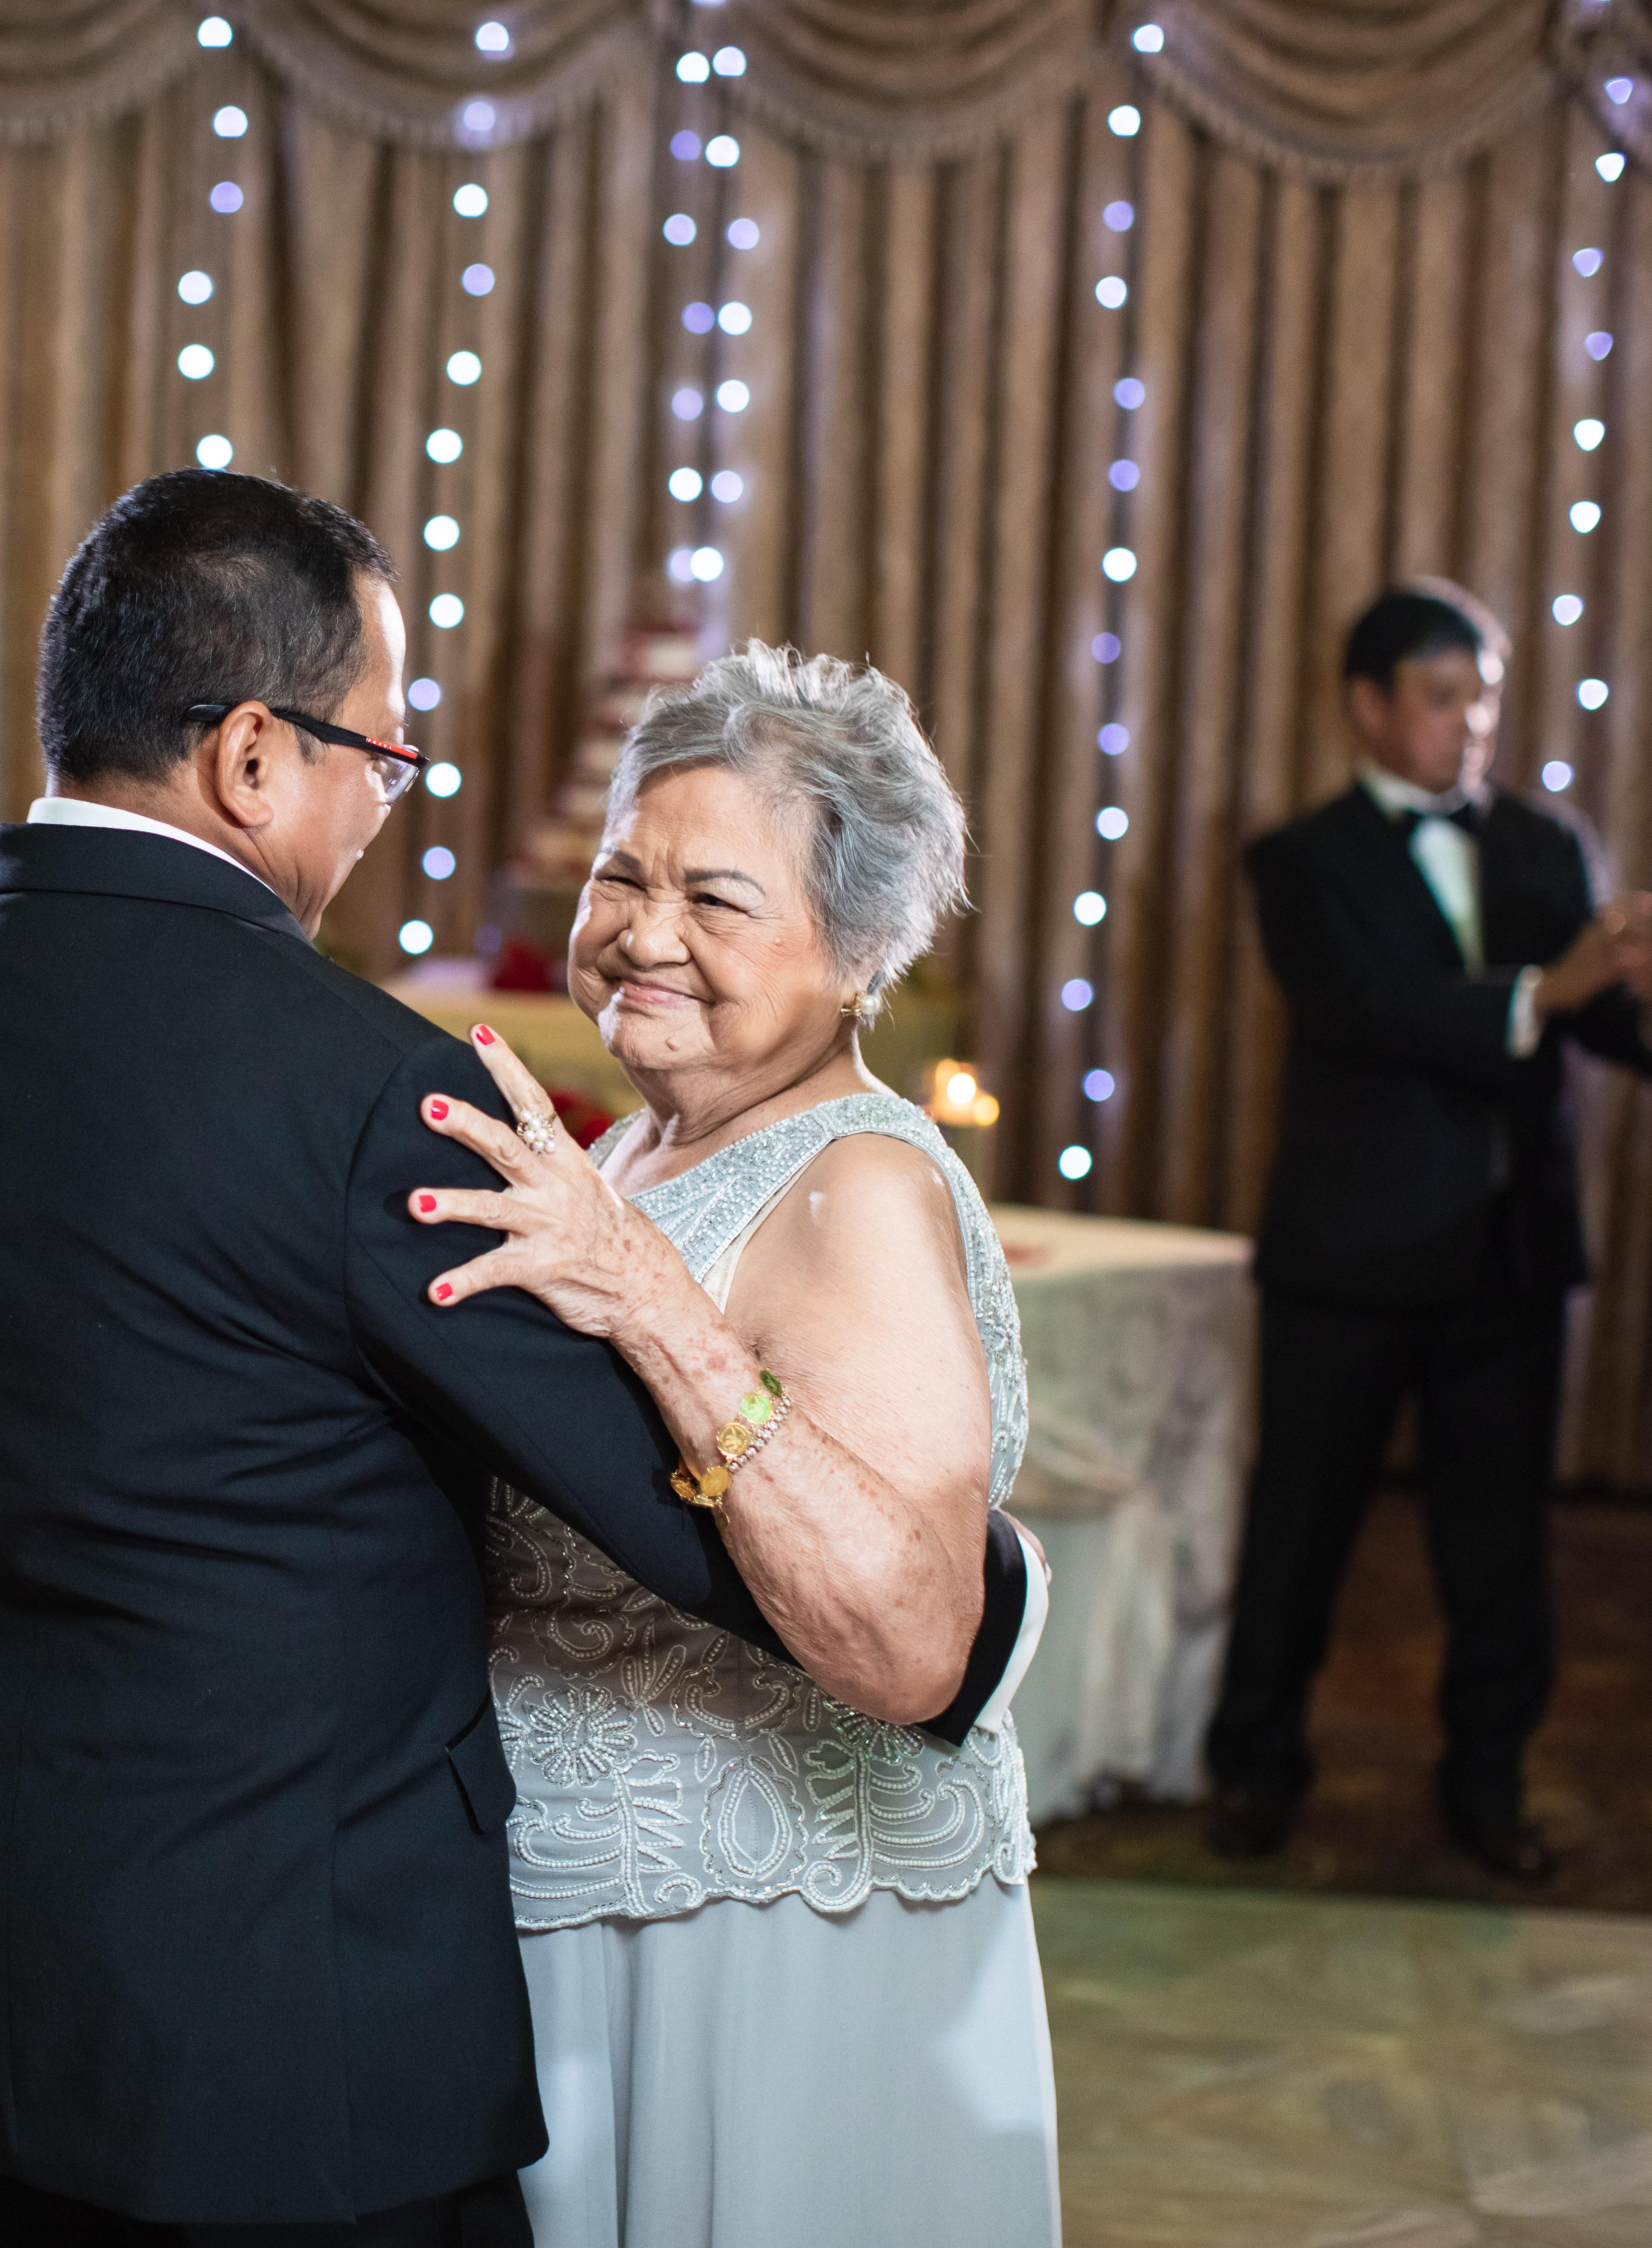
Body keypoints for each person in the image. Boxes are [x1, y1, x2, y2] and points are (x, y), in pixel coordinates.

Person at [0, 471, 1027, 2242]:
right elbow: (671, 1523)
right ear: (256, 760)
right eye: (382, 756)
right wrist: (1006, 1602)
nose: (383, 804)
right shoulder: (376, 1099)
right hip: (286, 2020)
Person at [421, 645, 1058, 2243]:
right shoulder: (635, 1149)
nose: (641, 933)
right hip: (589, 1917)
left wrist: (655, 1310)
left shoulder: (860, 1184)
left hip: (765, 1935)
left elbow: (915, 1640)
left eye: (715, 899)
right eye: (620, 877)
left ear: (856, 955)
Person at [1205, 584, 1652, 1885]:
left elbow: (1600, 1035)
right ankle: (1257, 1769)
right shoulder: (1301, 860)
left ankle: (1488, 1782)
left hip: (1510, 1251)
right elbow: (1366, 1013)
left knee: (1499, 1550)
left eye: (1483, 695)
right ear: (1367, 705)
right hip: (1354, 1252)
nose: (1472, 722)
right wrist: (1551, 988)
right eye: (1444, 696)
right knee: (1301, 1526)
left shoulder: (1548, 845)